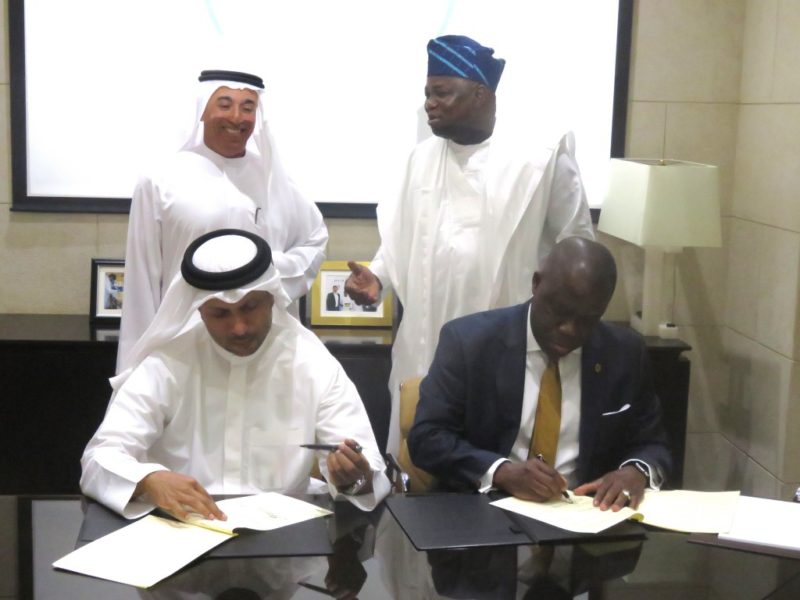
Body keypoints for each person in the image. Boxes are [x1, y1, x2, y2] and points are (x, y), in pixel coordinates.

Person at [345, 35, 594, 452]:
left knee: (496, 466)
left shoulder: (541, 156)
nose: (430, 103)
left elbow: (578, 242)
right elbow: (399, 241)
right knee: (419, 461)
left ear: (480, 93)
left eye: (441, 92)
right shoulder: (417, 160)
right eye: (427, 93)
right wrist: (378, 278)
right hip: (424, 343)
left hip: (507, 341)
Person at [82, 229, 389, 519]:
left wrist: (353, 478)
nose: (239, 327)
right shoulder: (168, 363)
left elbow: (367, 472)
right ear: (199, 310)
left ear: (271, 297)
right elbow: (99, 458)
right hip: (184, 537)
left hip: (286, 552)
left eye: (250, 307)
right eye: (220, 314)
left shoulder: (312, 364)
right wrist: (149, 479)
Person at [407, 237, 671, 511]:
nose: (569, 329)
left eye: (587, 320)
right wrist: (501, 472)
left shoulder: (624, 353)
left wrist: (635, 472)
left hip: (585, 519)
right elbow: (427, 438)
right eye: (559, 311)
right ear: (536, 284)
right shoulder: (469, 343)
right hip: (483, 515)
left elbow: (653, 444)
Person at [117, 69, 328, 373]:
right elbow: (143, 282)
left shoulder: (273, 178)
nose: (237, 117)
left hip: (260, 346)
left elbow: (315, 239)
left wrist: (270, 271)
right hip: (185, 350)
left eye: (248, 107)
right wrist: (135, 369)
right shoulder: (160, 180)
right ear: (203, 110)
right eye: (225, 104)